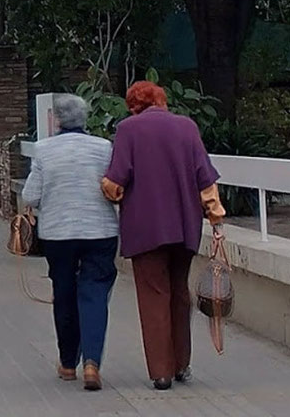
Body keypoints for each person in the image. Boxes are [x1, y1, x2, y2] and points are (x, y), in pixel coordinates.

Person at [101, 81, 225, 391]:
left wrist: (105, 189)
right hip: (184, 226)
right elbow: (205, 180)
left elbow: (116, 183)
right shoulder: (187, 127)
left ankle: (161, 372)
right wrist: (216, 217)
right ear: (162, 100)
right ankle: (182, 365)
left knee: (154, 295)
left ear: (133, 105)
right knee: (179, 293)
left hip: (146, 228)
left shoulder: (129, 130)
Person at [22, 94, 119, 391]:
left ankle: (67, 363)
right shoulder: (104, 148)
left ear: (57, 120)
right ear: (85, 118)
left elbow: (30, 196)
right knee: (94, 293)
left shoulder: (44, 150)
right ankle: (92, 362)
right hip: (99, 231)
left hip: (58, 235)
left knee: (63, 294)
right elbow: (114, 187)